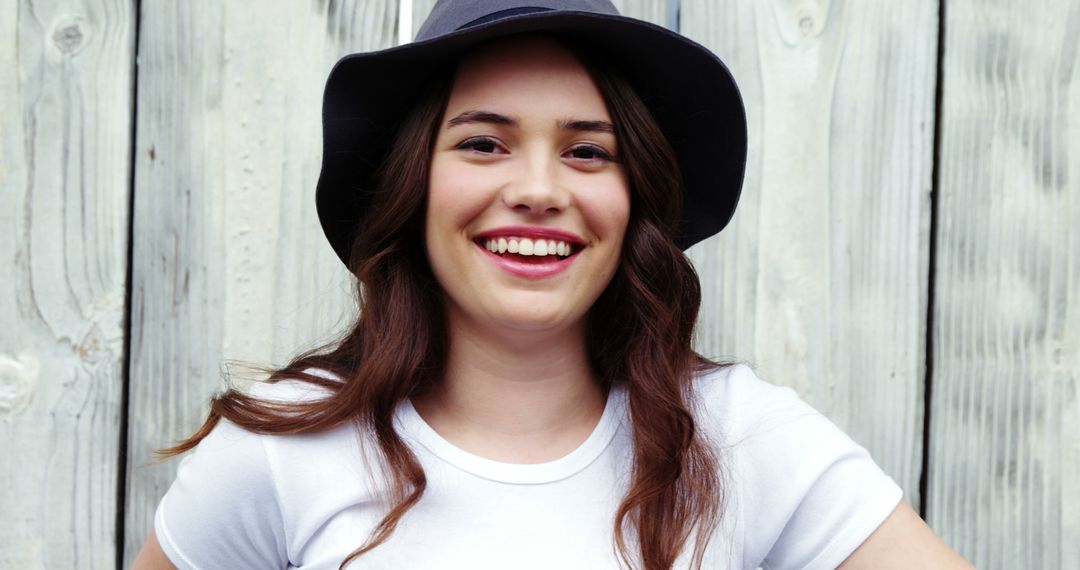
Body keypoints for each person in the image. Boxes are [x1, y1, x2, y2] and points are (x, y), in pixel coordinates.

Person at [134, 1, 974, 568]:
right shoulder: (279, 450)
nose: (539, 188)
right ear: (412, 186)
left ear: (632, 197)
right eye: (483, 144)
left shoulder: (746, 441)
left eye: (587, 150)